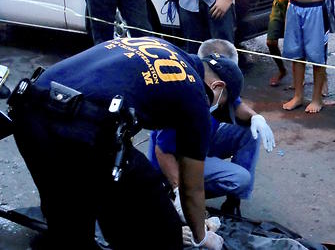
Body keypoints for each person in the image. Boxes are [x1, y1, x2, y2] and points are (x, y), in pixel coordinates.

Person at [8, 37, 243, 249]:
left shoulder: (162, 46)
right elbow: (193, 189)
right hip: (80, 127)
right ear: (217, 87)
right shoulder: (196, 96)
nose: (213, 112)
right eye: (220, 108)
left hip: (29, 107)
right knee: (162, 231)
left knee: (69, 216)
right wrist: (201, 235)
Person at [149, 39, 275, 219]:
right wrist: (180, 191)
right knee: (240, 179)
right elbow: (162, 151)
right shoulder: (184, 96)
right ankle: (176, 194)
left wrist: (256, 117)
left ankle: (233, 202)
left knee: (250, 130)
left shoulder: (212, 84)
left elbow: (237, 106)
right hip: (175, 161)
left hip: (200, 145)